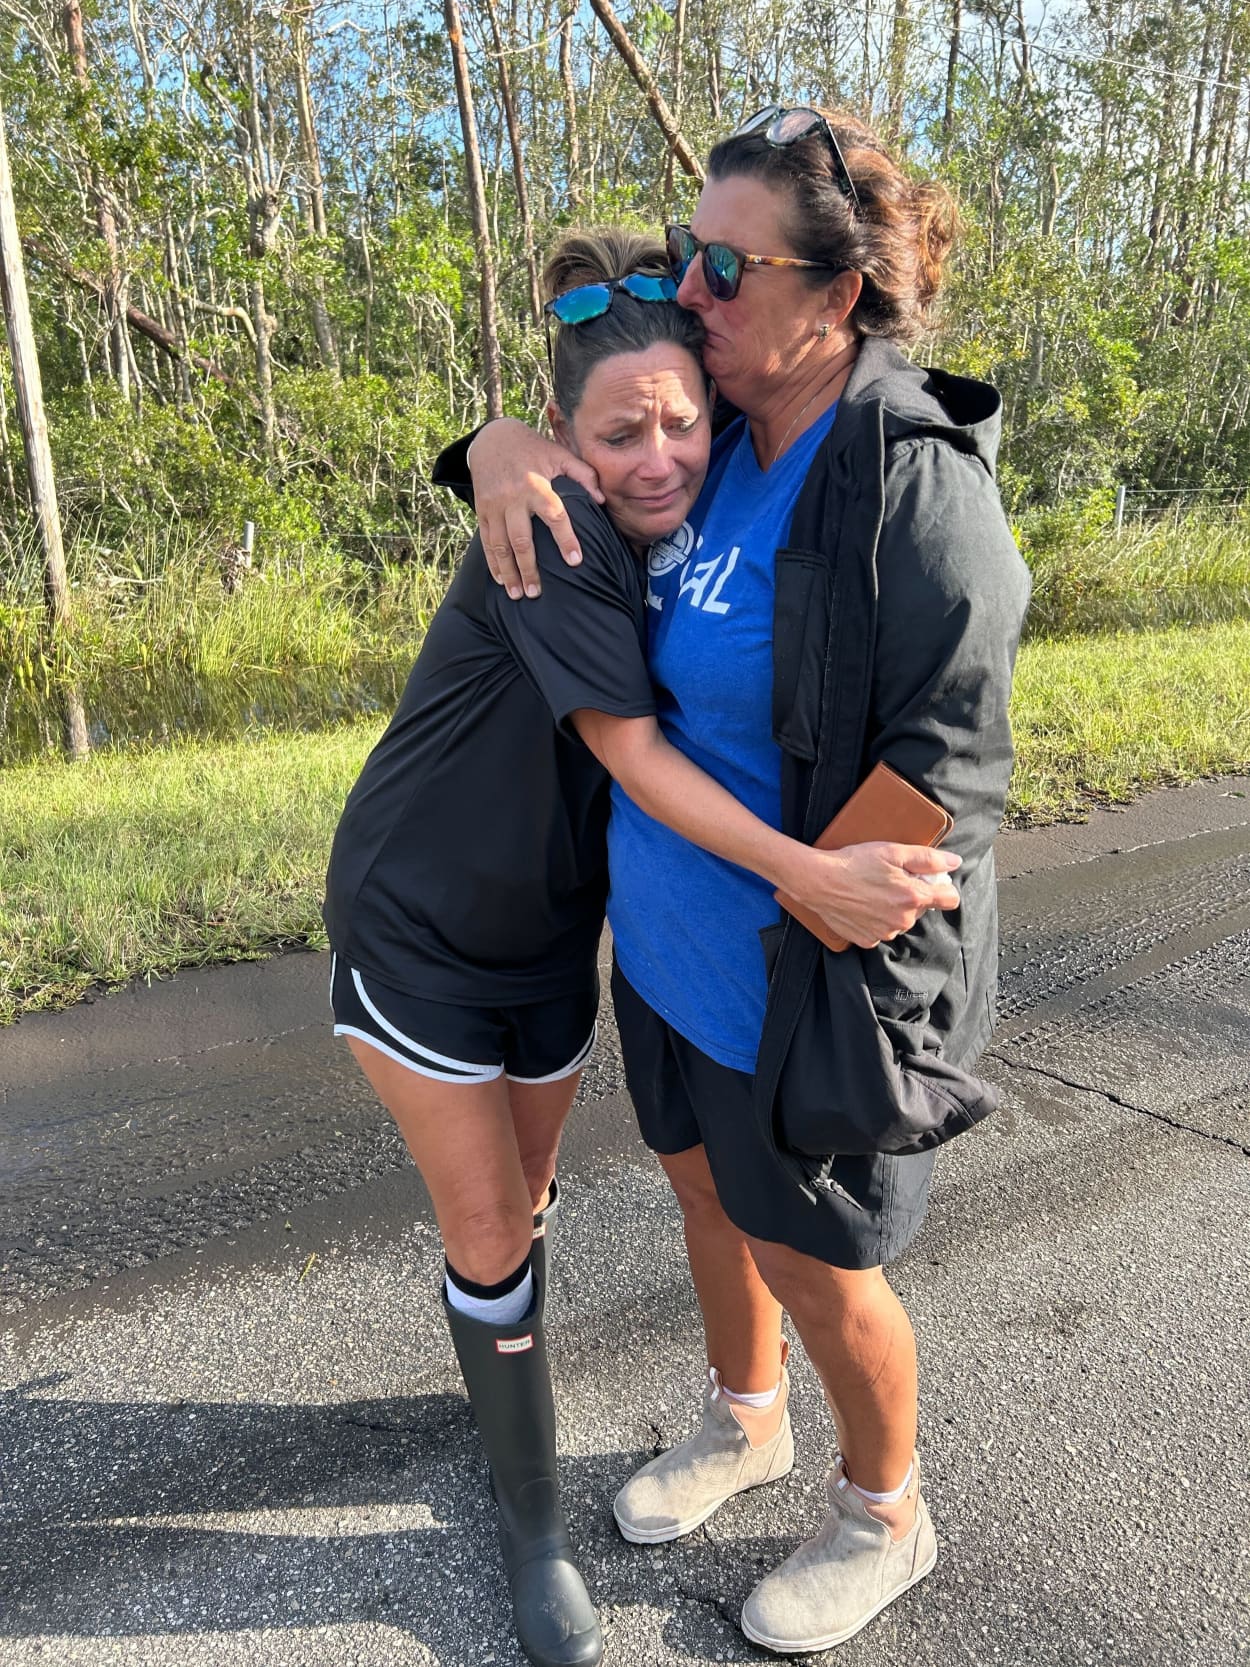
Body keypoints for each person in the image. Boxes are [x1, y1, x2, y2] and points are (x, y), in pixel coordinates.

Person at [436, 108, 1032, 1655]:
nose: (688, 287)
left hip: (798, 972)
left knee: (819, 1260)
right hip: (672, 952)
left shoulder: (901, 475)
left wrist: (822, 906)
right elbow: (587, 423)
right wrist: (493, 441)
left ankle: (882, 1512)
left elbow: (949, 758)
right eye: (689, 255)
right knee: (705, 1202)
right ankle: (745, 1416)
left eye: (720, 264)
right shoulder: (728, 447)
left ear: (830, 299)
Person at [323, 227, 958, 1667]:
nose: (660, 452)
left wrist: (495, 432)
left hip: (559, 930)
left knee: (527, 1205)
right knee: (490, 1223)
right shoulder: (547, 526)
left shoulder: (729, 486)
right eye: (618, 432)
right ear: (561, 440)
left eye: (683, 418)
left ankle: (540, 1386)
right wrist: (493, 445)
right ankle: (531, 1523)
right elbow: (626, 746)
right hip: (421, 922)